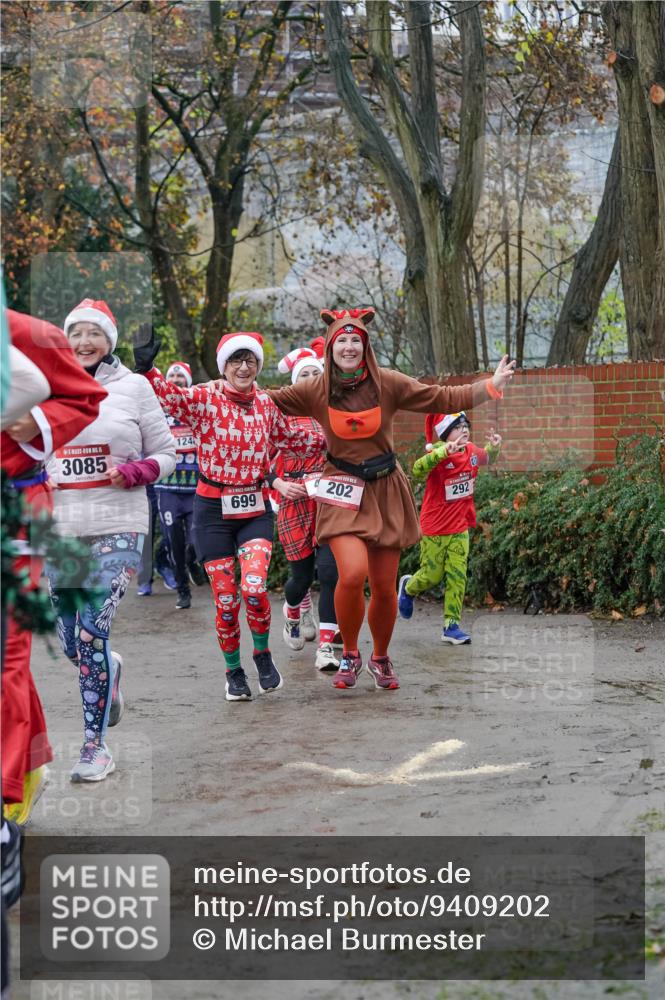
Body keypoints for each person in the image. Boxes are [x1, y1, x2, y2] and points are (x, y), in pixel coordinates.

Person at [267, 307, 515, 692]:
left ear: (365, 346)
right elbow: (268, 400)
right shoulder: (316, 389)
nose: (348, 347)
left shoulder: (388, 383)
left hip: (384, 489)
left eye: (355, 340)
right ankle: (349, 653)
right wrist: (226, 386)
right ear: (330, 348)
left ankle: (379, 657)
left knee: (383, 586)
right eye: (341, 341)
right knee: (350, 573)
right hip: (341, 490)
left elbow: (442, 397)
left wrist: (492, 385)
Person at [133, 328, 326, 701]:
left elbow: (298, 438)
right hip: (212, 512)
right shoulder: (206, 396)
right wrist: (148, 369)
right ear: (225, 366)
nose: (243, 366)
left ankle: (263, 655)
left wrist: (352, 433)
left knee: (254, 590)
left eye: (250, 359)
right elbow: (170, 398)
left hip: (254, 508)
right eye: (236, 360)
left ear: (257, 365)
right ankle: (234, 672)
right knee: (225, 599)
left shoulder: (267, 405)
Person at [45, 299, 176, 781]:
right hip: (62, 529)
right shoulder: (47, 386)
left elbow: (167, 453)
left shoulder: (134, 387)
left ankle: (94, 747)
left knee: (90, 631)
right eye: (76, 332)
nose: (84, 342)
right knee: (73, 645)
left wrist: (134, 470)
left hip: (120, 523)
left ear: (109, 341)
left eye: (93, 334)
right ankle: (109, 671)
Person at [2, 308, 106, 815]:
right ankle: (28, 761)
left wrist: (36, 421)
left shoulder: (29, 334)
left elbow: (85, 398)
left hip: (17, 513)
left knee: (5, 655)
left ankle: (6, 796)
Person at [398, 411, 502, 644]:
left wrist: (494, 448)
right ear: (445, 434)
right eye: (457, 426)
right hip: (435, 527)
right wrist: (443, 452)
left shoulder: (471, 451)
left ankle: (451, 625)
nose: (464, 429)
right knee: (432, 576)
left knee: (457, 575)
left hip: (460, 527)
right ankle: (409, 587)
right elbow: (417, 468)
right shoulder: (437, 453)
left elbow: (486, 458)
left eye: (466, 425)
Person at [269, 348, 340, 672]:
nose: (311, 380)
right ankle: (293, 610)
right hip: (294, 501)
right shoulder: (278, 414)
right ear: (294, 384)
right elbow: (260, 458)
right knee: (301, 576)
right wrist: (278, 484)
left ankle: (326, 647)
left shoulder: (334, 411)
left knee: (329, 574)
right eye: (304, 376)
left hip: (328, 501)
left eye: (316, 374)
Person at [153, 361, 207, 610]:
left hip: (196, 487)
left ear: (188, 381)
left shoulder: (196, 409)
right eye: (171, 375)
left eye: (180, 375)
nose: (175, 378)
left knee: (196, 541)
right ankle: (183, 590)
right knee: (173, 540)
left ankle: (192, 561)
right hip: (167, 487)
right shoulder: (156, 410)